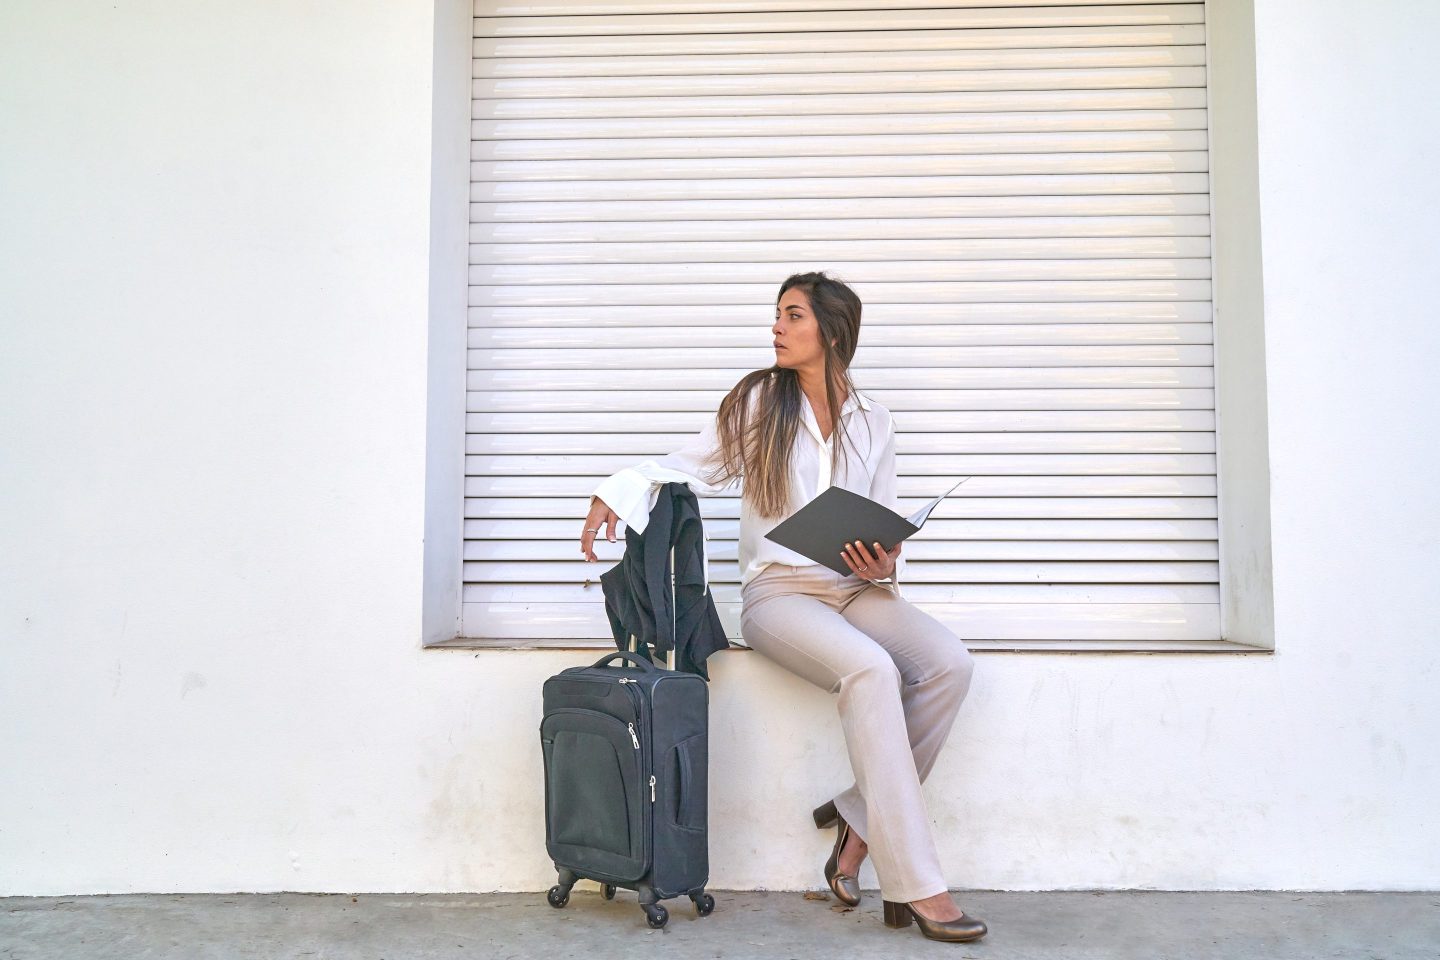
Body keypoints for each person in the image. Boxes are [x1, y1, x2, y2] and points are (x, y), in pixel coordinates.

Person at [580, 271, 986, 943]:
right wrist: (614, 494)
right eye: (778, 315)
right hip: (779, 596)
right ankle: (919, 886)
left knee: (949, 664)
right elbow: (687, 463)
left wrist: (887, 562)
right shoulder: (760, 404)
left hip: (854, 588)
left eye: (792, 316)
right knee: (871, 671)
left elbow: (882, 517)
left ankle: (856, 820)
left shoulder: (875, 420)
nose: (776, 327)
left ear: (829, 331)